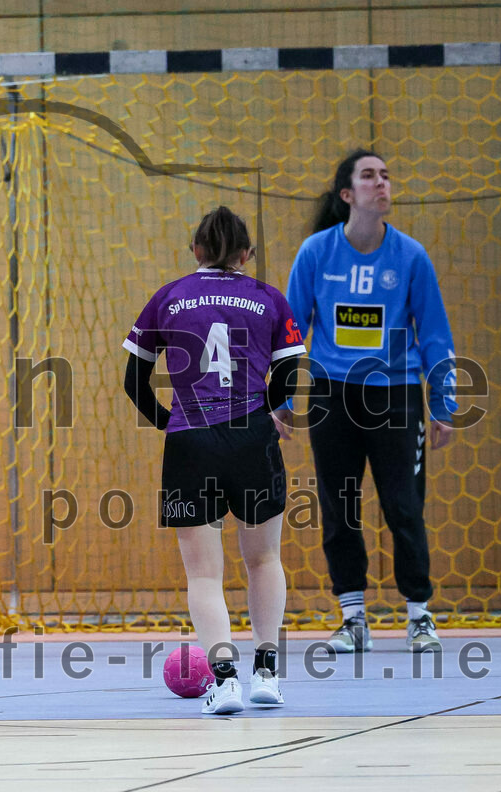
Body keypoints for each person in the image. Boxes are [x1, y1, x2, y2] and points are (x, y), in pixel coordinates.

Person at [123, 206, 306, 715]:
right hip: (251, 436)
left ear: (197, 251)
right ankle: (266, 675)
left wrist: (170, 424)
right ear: (246, 254)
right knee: (264, 559)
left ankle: (222, 682)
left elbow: (132, 380)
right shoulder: (268, 298)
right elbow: (290, 375)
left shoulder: (169, 298)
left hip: (190, 441)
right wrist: (267, 413)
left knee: (203, 575)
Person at [277, 149, 457, 654]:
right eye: (369, 176)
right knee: (339, 507)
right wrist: (283, 397)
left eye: (386, 176)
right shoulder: (316, 253)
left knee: (404, 505)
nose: (382, 184)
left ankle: (419, 615)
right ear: (347, 194)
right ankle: (353, 618)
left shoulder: (410, 256)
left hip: (395, 395)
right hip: (332, 394)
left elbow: (436, 336)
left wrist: (442, 404)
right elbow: (292, 330)